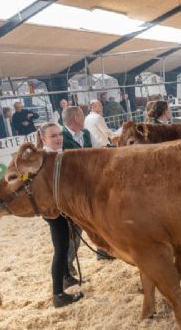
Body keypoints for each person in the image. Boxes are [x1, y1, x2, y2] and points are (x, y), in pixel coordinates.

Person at [36, 122, 84, 308]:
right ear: (43, 139)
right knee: (61, 249)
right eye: (53, 136)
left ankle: (66, 277)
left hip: (63, 207)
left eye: (59, 134)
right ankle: (58, 294)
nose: (58, 138)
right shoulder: (44, 158)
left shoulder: (60, 154)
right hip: (54, 211)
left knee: (66, 244)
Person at [61, 106, 114, 264]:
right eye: (82, 116)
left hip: (91, 186)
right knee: (74, 230)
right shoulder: (61, 136)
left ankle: (103, 252)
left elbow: (98, 149)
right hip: (72, 191)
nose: (84, 118)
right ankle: (67, 265)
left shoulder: (85, 133)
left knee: (98, 221)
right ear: (76, 119)